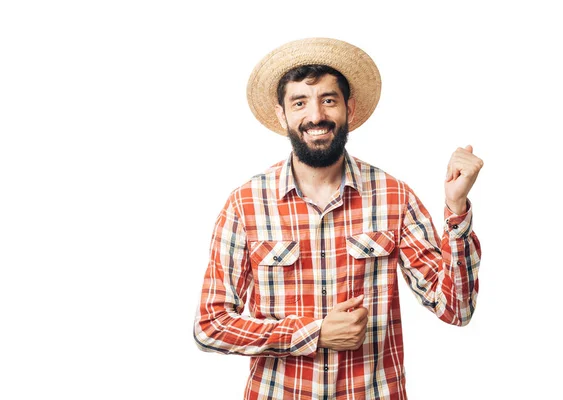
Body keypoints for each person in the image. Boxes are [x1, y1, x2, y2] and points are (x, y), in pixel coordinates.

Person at [193, 37, 483, 400]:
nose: (316, 115)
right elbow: (210, 326)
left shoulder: (394, 196)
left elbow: (457, 309)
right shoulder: (245, 204)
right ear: (282, 114)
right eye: (300, 102)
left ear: (350, 107)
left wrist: (456, 210)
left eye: (328, 100)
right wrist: (312, 334)